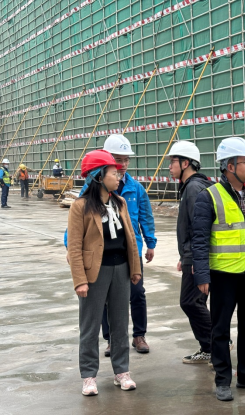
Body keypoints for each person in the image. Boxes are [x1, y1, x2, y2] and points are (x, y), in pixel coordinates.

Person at [192, 137, 245, 402]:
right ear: (229, 166)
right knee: (220, 330)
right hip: (223, 275)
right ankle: (223, 380)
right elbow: (199, 240)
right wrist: (202, 274)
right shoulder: (209, 196)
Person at [65, 134, 157, 356]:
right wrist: (70, 246)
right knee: (106, 299)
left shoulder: (135, 188)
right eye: (118, 160)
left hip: (130, 251)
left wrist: (150, 243)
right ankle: (110, 340)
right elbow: (77, 219)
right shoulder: (92, 188)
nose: (123, 165)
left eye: (126, 160)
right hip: (102, 253)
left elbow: (146, 217)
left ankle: (139, 335)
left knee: (137, 293)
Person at [67, 149, 142, 396]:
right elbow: (74, 247)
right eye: (113, 173)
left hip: (121, 269)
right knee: (89, 326)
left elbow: (130, 237)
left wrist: (135, 268)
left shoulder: (120, 203)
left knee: (120, 323)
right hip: (94, 273)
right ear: (99, 176)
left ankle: (122, 371)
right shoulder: (80, 207)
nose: (118, 177)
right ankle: (89, 376)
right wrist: (80, 280)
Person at [167, 141, 218, 365]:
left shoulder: (193, 189)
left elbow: (200, 228)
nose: (170, 166)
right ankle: (209, 347)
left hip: (198, 257)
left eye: (173, 161)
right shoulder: (193, 186)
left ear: (186, 163)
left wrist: (197, 259)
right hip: (193, 255)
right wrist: (184, 257)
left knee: (191, 302)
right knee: (194, 302)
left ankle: (217, 344)